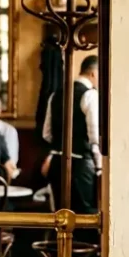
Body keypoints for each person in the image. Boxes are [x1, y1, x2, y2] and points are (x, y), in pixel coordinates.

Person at [42, 54, 102, 214]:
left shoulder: (56, 94)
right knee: (84, 216)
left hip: (56, 164)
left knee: (60, 215)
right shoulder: (90, 95)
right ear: (94, 73)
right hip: (80, 166)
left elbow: (46, 134)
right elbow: (95, 137)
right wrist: (99, 167)